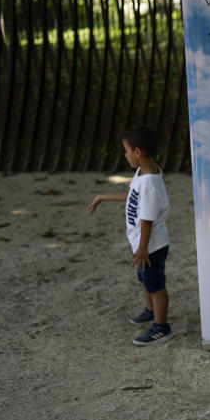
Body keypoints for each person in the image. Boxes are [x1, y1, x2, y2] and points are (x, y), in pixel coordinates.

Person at [87, 126, 172, 346]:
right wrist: (103, 196)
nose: (124, 155)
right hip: (142, 243)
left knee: (156, 284)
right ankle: (150, 310)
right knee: (144, 278)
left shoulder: (150, 183)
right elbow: (132, 194)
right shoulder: (142, 173)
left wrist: (142, 248)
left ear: (137, 152)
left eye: (126, 151)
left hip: (151, 245)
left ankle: (161, 326)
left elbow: (147, 218)